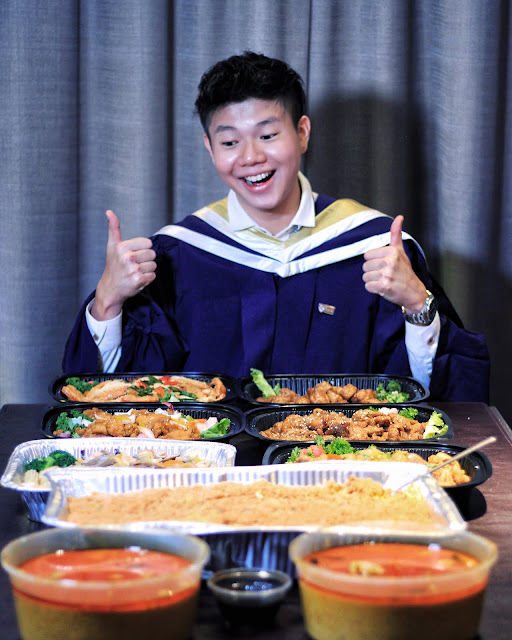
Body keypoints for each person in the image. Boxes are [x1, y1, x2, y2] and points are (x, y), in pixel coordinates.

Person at [63, 51, 489, 402]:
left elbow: (435, 400)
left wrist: (417, 305)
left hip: (341, 467)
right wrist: (108, 303)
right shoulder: (179, 255)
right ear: (210, 148)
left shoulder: (373, 245)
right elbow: (112, 400)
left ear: (302, 133)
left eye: (268, 135)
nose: (251, 157)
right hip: (212, 470)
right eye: (230, 142)